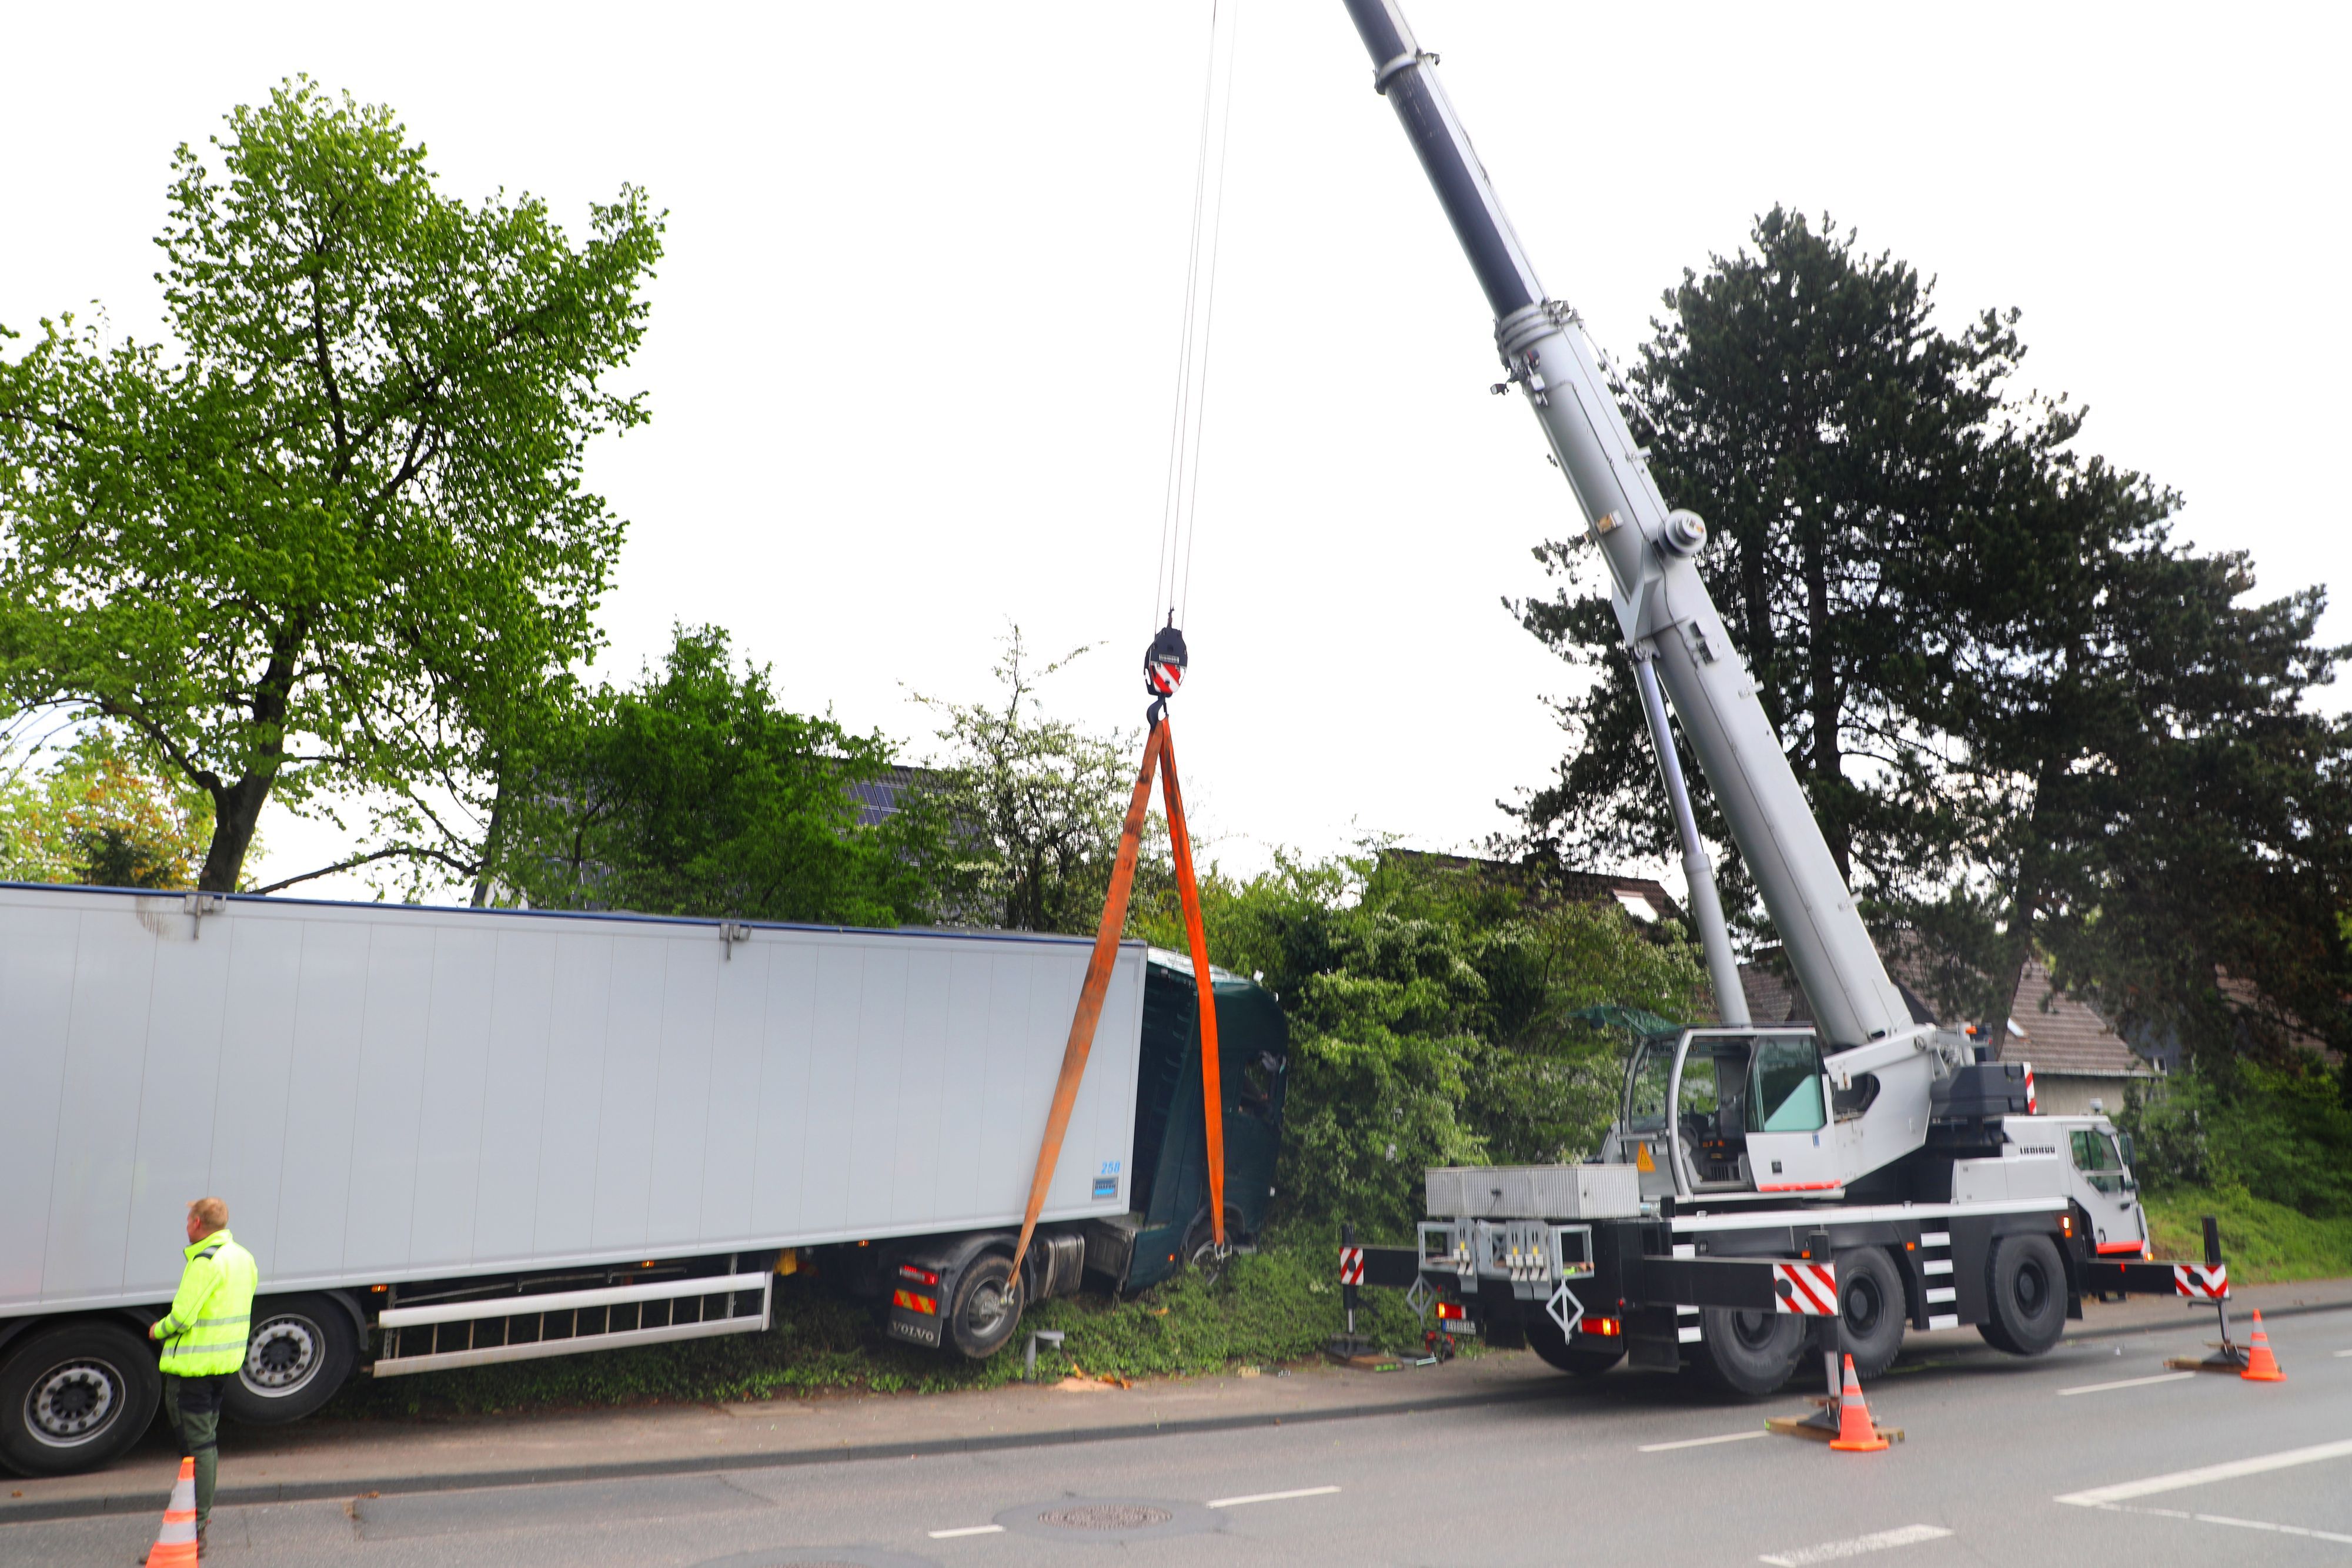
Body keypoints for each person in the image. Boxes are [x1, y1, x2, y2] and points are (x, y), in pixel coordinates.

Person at [149, 1198, 257, 1554]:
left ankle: (195, 1526)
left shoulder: (204, 1262)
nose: (186, 1226)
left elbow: (182, 1318)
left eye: (188, 1220)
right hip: (222, 1367)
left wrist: (156, 1331)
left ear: (197, 1222)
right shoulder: (243, 1257)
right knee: (203, 1441)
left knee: (198, 1448)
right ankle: (197, 1520)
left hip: (193, 1370)